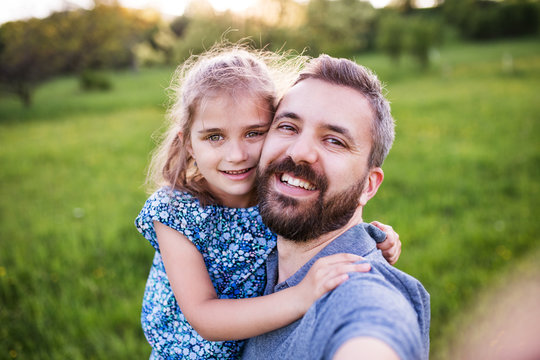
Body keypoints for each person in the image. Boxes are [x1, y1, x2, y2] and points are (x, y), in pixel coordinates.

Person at [134, 45, 403, 359]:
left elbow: (318, 214)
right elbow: (205, 318)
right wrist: (300, 297)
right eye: (214, 137)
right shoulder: (177, 213)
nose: (236, 155)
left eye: (253, 133)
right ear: (188, 145)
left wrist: (373, 236)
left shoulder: (272, 196)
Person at [242, 55, 430, 360]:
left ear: (368, 186)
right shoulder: (245, 255)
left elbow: (373, 329)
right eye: (288, 126)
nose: (300, 152)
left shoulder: (362, 292)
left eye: (334, 141)